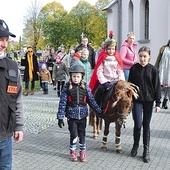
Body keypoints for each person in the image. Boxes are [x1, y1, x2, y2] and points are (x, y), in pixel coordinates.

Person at [57, 64, 104, 162]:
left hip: (82, 116)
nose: (75, 78)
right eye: (74, 76)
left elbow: (91, 101)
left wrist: (99, 111)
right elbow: (62, 103)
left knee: (82, 134)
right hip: (72, 117)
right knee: (74, 134)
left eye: (78, 76)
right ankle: (73, 152)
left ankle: (82, 153)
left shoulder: (85, 88)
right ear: (71, 76)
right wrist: (60, 117)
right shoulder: (67, 88)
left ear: (82, 77)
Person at [128, 46, 161, 163]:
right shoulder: (134, 68)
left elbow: (157, 87)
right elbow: (129, 85)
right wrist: (129, 99)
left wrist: (158, 103)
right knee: (137, 124)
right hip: (137, 100)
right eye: (141, 56)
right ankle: (135, 145)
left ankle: (146, 151)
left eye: (145, 56)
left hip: (149, 101)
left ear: (149, 57)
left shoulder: (153, 70)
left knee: (146, 125)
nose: (142, 59)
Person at [0, 19, 24, 169]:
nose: (4, 44)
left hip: (5, 136)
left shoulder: (13, 67)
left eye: (6, 40)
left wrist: (19, 126)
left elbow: (18, 99)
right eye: (0, 39)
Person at [89, 31, 125, 108]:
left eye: (112, 49)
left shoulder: (117, 57)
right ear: (106, 48)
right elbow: (99, 71)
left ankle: (123, 111)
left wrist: (121, 80)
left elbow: (120, 70)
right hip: (105, 81)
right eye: (109, 49)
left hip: (115, 81)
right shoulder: (103, 57)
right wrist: (104, 82)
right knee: (100, 91)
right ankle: (98, 106)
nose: (111, 51)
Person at [155, 39, 170, 109]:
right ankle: (158, 101)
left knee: (169, 87)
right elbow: (158, 59)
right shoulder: (163, 49)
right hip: (163, 70)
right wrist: (155, 68)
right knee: (160, 86)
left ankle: (165, 102)